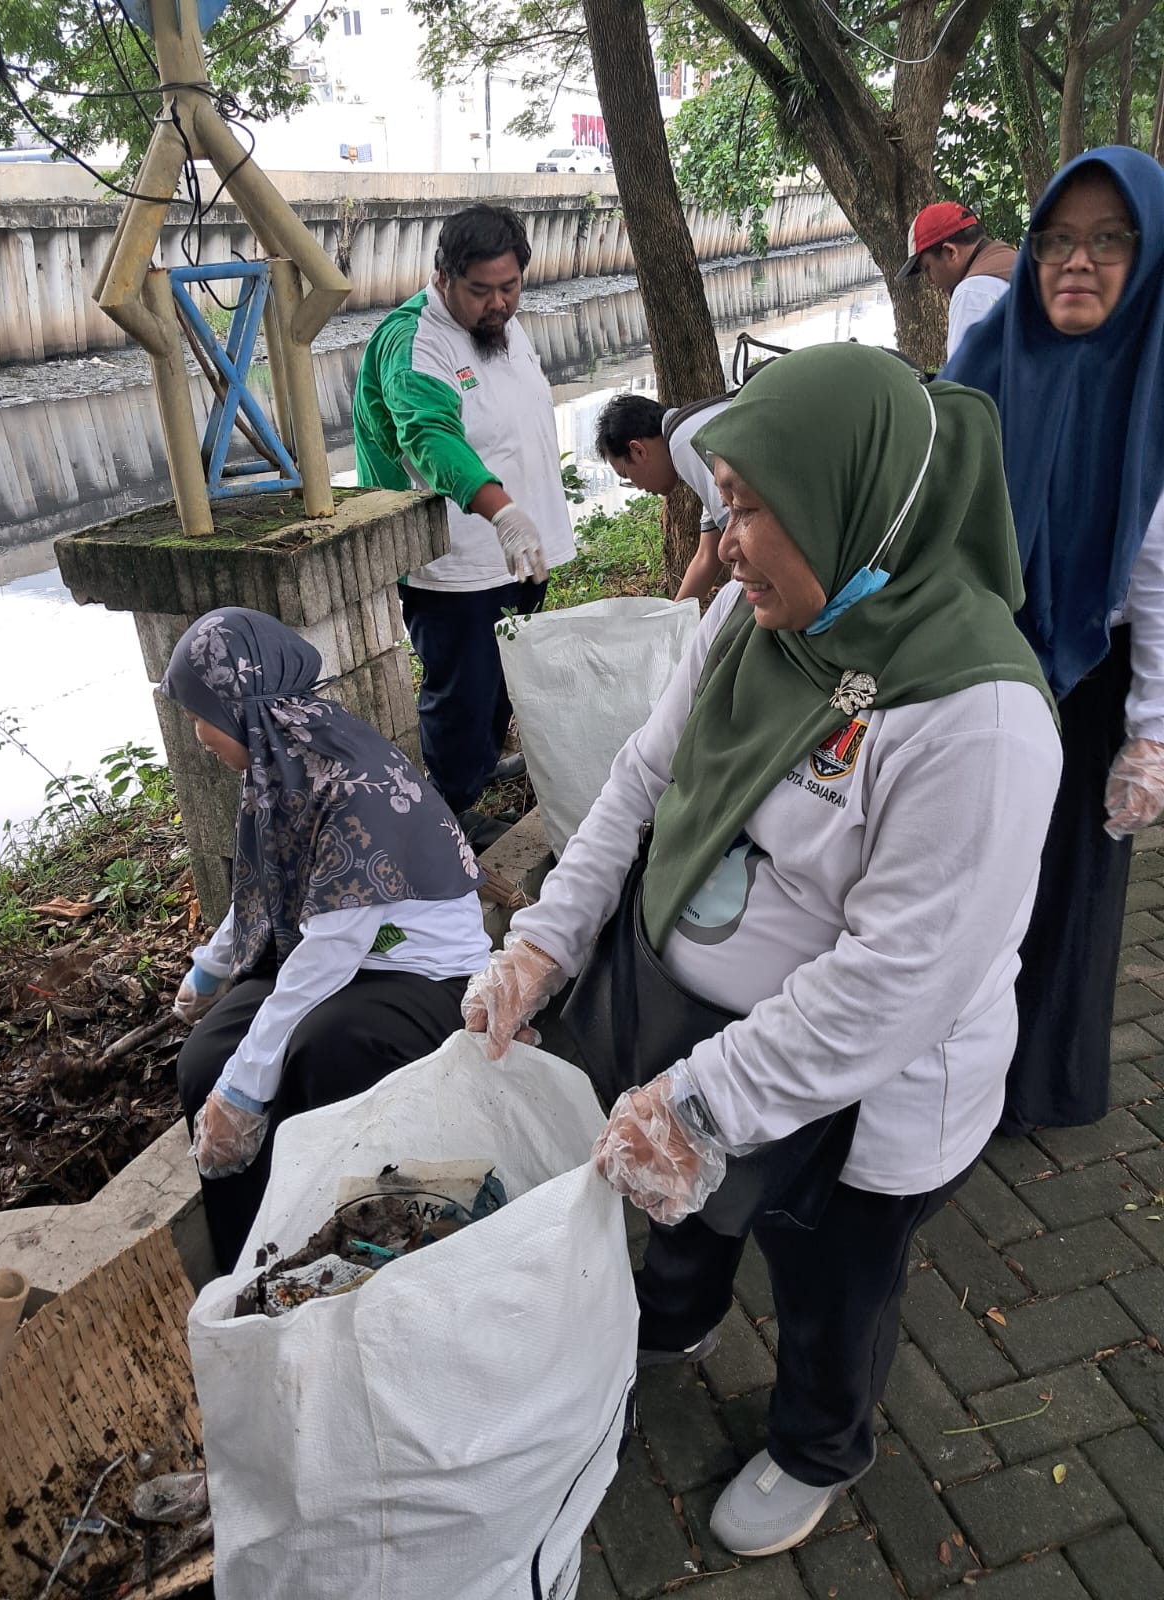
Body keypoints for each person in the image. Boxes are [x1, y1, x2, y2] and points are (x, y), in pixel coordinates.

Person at [462, 343, 1061, 1559]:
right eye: (721, 505)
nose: (723, 544)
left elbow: (891, 983)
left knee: (831, 1276)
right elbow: (641, 780)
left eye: (745, 508)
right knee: (684, 1207)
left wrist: (699, 1102)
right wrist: (543, 946)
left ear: (856, 504)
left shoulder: (979, 721)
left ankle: (817, 1443)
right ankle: (676, 1316)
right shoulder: (754, 614)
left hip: (862, 1092)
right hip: (693, 1027)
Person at [163, 607, 492, 1272]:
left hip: (419, 970)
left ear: (244, 710)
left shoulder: (347, 781)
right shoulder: (280, 760)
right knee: (204, 1062)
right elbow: (266, 882)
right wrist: (211, 970)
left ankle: (357, 1254)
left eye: (202, 715)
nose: (198, 734)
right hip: (333, 949)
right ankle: (253, 1264)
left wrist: (245, 1088)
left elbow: (331, 950)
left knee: (326, 1050)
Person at [944, 146, 1164, 1137]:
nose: (1078, 261)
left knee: (1069, 886)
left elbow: (1159, 576)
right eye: (1058, 239)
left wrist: (1151, 732)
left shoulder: (1153, 376)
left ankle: (1036, 1087)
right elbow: (914, 507)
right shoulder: (988, 358)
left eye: (1108, 240)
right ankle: (947, 1082)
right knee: (968, 876)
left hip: (1098, 675)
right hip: (981, 664)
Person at [352, 203, 576, 851]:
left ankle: (477, 768)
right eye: (481, 290)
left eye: (511, 286)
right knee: (462, 691)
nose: (498, 303)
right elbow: (429, 438)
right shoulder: (414, 341)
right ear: (443, 276)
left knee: (504, 676)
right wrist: (501, 511)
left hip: (519, 550)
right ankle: (447, 813)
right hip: (454, 564)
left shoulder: (502, 324)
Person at [594, 391, 732, 603]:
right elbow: (708, 556)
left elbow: (746, 544)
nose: (638, 487)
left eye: (627, 476)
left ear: (638, 450)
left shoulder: (685, 443)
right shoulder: (692, 428)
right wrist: (674, 617)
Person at [896, 201, 1017, 360]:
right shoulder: (1011, 260)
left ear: (950, 252)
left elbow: (964, 375)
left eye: (927, 268)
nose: (930, 280)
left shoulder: (972, 291)